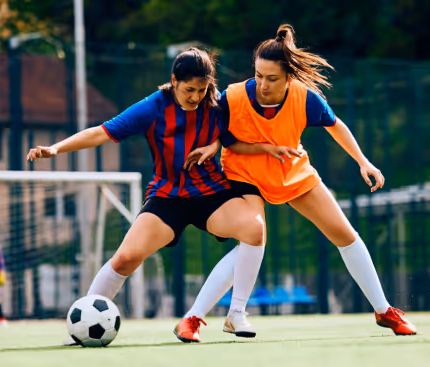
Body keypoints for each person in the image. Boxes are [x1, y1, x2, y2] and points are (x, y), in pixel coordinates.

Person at [180, 24, 416, 339]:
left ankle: (384, 310)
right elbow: (216, 130)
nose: (263, 84)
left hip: (292, 172)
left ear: (289, 76)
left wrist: (363, 161)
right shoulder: (233, 96)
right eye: (258, 75)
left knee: (345, 235)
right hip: (243, 173)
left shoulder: (305, 98)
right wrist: (210, 146)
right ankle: (196, 317)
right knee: (254, 237)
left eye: (272, 78)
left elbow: (336, 126)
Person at [26, 48, 267, 343]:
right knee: (126, 258)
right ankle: (83, 323)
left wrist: (215, 143)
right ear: (173, 81)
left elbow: (235, 130)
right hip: (167, 196)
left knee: (255, 230)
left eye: (202, 90)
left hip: (211, 193)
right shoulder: (153, 107)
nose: (195, 97)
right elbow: (102, 132)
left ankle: (236, 312)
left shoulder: (218, 104)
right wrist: (56, 149)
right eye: (189, 89)